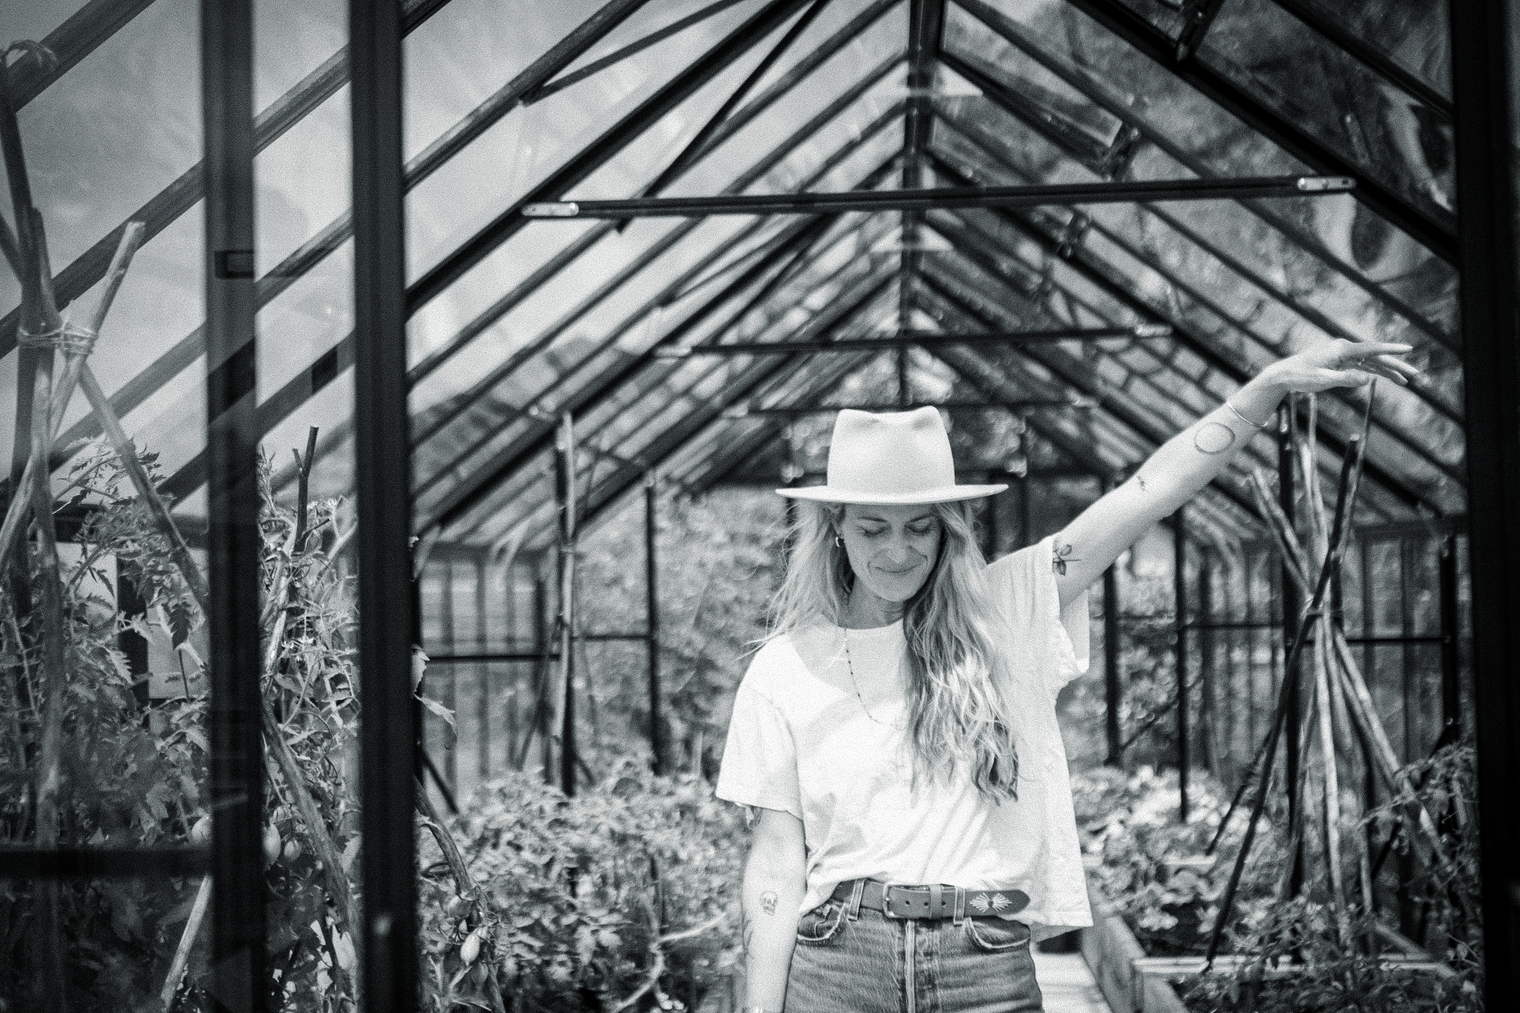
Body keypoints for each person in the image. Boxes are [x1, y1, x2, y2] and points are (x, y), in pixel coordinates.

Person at [713, 339, 1419, 1013]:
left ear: (948, 528)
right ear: (835, 527)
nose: (898, 551)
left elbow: (1146, 494)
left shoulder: (1007, 610)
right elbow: (775, 864)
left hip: (981, 961)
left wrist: (1265, 390)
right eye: (873, 528)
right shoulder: (786, 667)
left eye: (920, 527)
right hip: (839, 962)